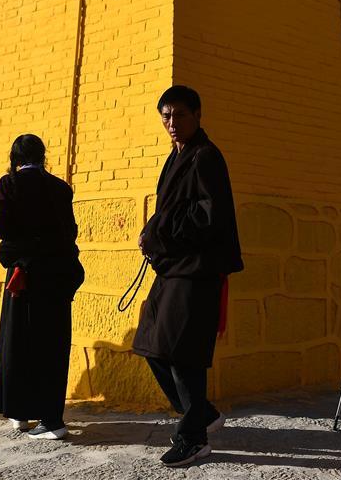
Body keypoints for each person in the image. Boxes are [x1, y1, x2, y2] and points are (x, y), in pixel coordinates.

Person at [132, 85, 244, 467]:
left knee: (183, 353)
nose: (172, 122)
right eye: (166, 115)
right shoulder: (176, 156)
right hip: (173, 265)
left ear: (197, 115)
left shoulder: (206, 156)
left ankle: (194, 438)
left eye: (179, 114)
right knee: (152, 344)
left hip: (198, 268)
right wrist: (152, 232)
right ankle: (203, 414)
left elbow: (209, 215)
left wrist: (159, 232)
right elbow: (172, 210)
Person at [0, 134, 85, 440]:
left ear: (15, 158)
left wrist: (24, 239)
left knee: (19, 343)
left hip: (25, 276)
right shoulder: (61, 188)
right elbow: (70, 231)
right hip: (56, 275)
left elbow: (0, 227)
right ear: (44, 156)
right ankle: (51, 418)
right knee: (52, 345)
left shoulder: (10, 184)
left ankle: (19, 413)